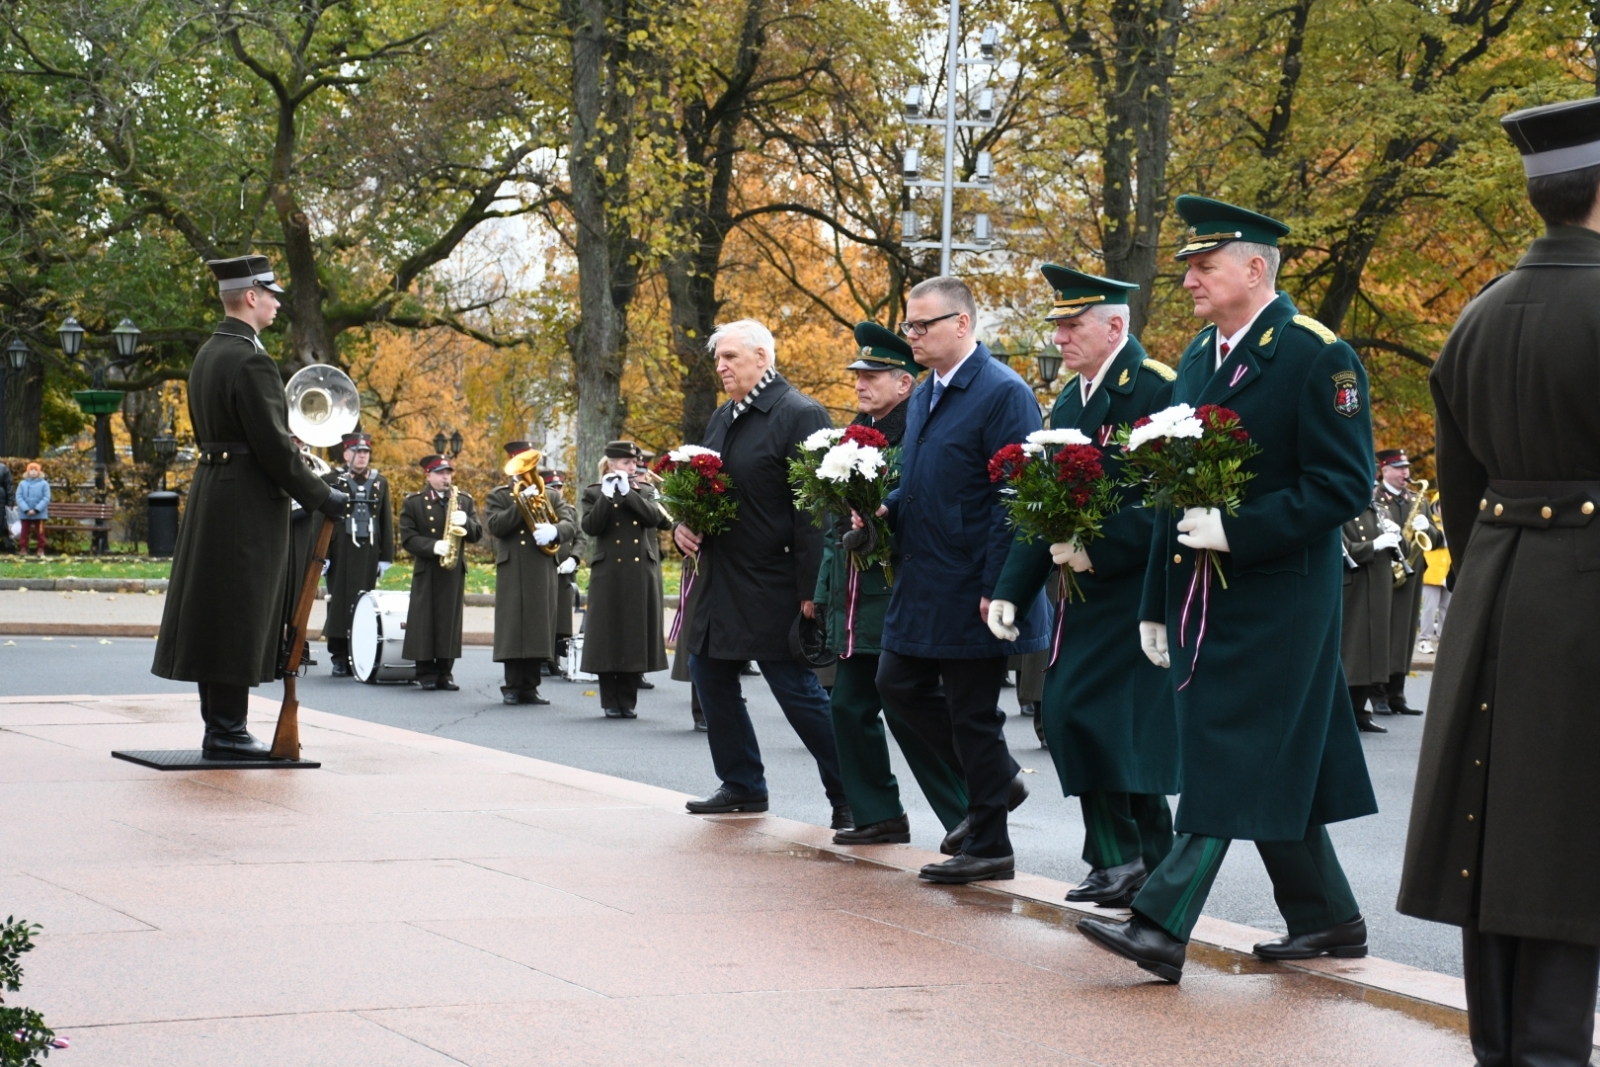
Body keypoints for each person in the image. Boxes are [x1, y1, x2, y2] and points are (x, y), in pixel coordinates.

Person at [1079, 197, 1378, 982]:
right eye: (1187, 266)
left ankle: (1160, 922)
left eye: (1204, 266)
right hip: (1200, 594)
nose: (1188, 280)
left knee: (1226, 752)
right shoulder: (1200, 357)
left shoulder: (1318, 354)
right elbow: (1171, 491)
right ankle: (1328, 917)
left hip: (1279, 598)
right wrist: (1153, 598)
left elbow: (1344, 485)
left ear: (1255, 268)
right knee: (1272, 760)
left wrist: (1237, 529)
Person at [1399, 96, 1600, 1067]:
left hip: (1493, 584)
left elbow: (1458, 493)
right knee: (1568, 837)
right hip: (1585, 593)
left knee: (1495, 827)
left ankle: (1503, 1045)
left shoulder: (1474, 316)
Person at [988, 265, 1181, 907]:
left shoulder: (1154, 390)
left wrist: (1099, 547)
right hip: (1081, 594)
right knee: (1078, 718)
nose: (1062, 337)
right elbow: (1041, 505)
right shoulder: (1071, 400)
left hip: (1135, 588)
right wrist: (1013, 587)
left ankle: (1134, 860)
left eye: (1073, 326)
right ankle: (1128, 860)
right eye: (1060, 326)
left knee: (1113, 725)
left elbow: (1168, 501)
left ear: (1114, 327)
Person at [873, 275, 1048, 885]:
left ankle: (991, 842)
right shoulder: (927, 393)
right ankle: (996, 785)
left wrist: (1001, 586)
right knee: (896, 684)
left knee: (974, 712)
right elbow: (924, 477)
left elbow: (1015, 497)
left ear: (962, 324)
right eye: (909, 326)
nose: (912, 336)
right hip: (926, 576)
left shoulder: (1003, 392)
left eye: (923, 325)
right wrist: (889, 505)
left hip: (975, 580)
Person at [151, 255, 346, 758]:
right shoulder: (252, 360)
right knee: (239, 611)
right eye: (272, 293)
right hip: (246, 503)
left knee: (216, 610)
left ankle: (219, 725)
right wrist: (325, 496)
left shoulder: (209, 353)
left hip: (216, 491)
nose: (279, 302)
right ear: (251, 297)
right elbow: (274, 450)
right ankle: (228, 730)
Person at [671, 318, 850, 828]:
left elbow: (816, 510)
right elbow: (709, 491)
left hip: (773, 579)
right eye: (718, 359)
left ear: (762, 357)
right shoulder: (723, 416)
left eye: (730, 357)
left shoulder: (800, 413)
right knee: (707, 670)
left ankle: (852, 793)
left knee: (796, 690)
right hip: (720, 576)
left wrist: (812, 588)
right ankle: (743, 784)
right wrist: (685, 524)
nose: (721, 367)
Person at [818, 322, 969, 846]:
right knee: (848, 706)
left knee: (908, 710)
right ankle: (879, 812)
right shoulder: (851, 436)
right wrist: (820, 594)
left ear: (905, 383)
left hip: (897, 591)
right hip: (855, 597)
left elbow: (921, 505)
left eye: (874, 375)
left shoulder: (918, 432)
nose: (861, 384)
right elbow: (832, 525)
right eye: (858, 375)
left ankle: (970, 819)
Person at [579, 440, 673, 717]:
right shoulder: (594, 492)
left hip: (638, 571)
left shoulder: (644, 490)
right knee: (608, 634)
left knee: (634, 633)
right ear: (610, 465)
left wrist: (629, 494)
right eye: (626, 463)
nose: (632, 467)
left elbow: (654, 518)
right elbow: (590, 527)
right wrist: (608, 498)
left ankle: (628, 701)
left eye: (634, 463)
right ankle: (610, 700)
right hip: (608, 572)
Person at [484, 444, 575, 705]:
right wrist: (520, 504)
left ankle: (531, 687)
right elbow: (495, 526)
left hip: (540, 566)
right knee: (513, 627)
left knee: (538, 625)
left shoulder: (551, 495)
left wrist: (554, 532)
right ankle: (512, 686)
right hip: (513, 568)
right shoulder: (500, 495)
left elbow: (569, 523)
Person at [399, 453, 483, 691]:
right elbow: (408, 538)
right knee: (424, 619)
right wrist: (433, 546)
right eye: (440, 473)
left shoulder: (463, 501)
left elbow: (477, 534)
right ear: (428, 475)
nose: (446, 477)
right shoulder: (414, 502)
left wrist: (466, 521)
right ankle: (425, 671)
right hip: (427, 568)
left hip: (453, 569)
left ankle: (445, 672)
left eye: (448, 473)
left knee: (449, 621)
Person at [1372, 449, 1439, 714]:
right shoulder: (1374, 498)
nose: (1405, 473)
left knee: (1404, 633)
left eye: (1406, 467)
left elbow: (1435, 540)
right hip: (1381, 573)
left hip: (1410, 573)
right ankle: (1377, 693)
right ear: (1384, 470)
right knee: (1381, 633)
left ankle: (1396, 694)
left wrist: (1427, 528)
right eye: (1399, 468)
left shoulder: (1416, 499)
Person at [324, 432, 394, 677]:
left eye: (365, 452)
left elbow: (385, 519)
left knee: (364, 603)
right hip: (341, 548)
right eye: (356, 451)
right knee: (339, 600)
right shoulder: (332, 480)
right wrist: (322, 553)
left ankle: (359, 653)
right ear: (346, 454)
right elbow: (322, 520)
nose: (361, 456)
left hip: (369, 550)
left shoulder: (379, 482)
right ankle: (339, 656)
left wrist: (387, 556)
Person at [1341, 499, 1399, 733]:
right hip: (1355, 586)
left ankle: (1360, 712)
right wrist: (1374, 545)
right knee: (1354, 653)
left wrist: (1396, 540)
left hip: (1379, 587)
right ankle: (1346, 714)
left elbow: (1393, 554)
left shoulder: (1380, 511)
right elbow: (1343, 549)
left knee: (1373, 653)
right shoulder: (1343, 509)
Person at [544, 468, 580, 676]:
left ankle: (555, 659)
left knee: (562, 618)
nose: (557, 490)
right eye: (552, 487)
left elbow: (580, 537)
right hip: (546, 568)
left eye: (559, 486)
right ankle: (541, 657)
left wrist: (574, 558)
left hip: (565, 571)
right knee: (544, 615)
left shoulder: (571, 512)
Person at [1417, 530, 1450, 655]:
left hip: (1449, 572)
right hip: (1432, 573)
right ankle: (1425, 640)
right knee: (1429, 609)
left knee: (1447, 608)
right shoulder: (1431, 524)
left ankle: (1444, 640)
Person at [16, 463, 48, 558]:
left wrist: (37, 509)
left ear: (39, 472)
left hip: (40, 513)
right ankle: (23, 548)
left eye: (35, 470)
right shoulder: (22, 484)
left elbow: (46, 497)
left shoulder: (44, 484)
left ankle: (41, 548)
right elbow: (19, 497)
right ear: (28, 471)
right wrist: (26, 509)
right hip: (25, 513)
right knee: (24, 531)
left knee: (40, 532)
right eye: (31, 470)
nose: (33, 472)